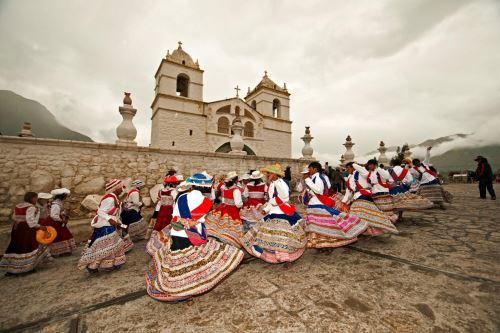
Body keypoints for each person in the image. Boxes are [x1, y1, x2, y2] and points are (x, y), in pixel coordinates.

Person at [146, 189, 244, 302]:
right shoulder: (200, 203)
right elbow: (199, 221)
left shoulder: (181, 198)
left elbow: (175, 217)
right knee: (190, 261)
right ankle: (184, 290)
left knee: (178, 262)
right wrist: (192, 223)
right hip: (187, 235)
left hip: (176, 232)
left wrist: (185, 221)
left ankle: (181, 289)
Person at [242, 164, 307, 265]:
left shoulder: (281, 183)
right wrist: (267, 209)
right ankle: (272, 255)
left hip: (281, 212)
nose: (267, 175)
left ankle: (286, 257)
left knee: (282, 236)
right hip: (274, 211)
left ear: (275, 174)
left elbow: (284, 197)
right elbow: (271, 199)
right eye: (267, 173)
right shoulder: (272, 184)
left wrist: (272, 203)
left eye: (269, 173)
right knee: (271, 235)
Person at [303, 162, 367, 249]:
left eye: (310, 168)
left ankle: (329, 241)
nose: (309, 170)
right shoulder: (314, 178)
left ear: (315, 169)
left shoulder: (318, 178)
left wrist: (307, 180)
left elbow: (318, 190)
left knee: (323, 223)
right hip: (315, 202)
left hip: (319, 202)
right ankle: (321, 243)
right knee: (319, 224)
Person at [78, 179, 128, 273]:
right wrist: (111, 220)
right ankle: (93, 265)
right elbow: (101, 211)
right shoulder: (109, 199)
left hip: (108, 224)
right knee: (104, 247)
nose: (122, 190)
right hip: (105, 225)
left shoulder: (114, 197)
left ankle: (108, 264)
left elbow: (113, 213)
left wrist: (117, 223)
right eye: (121, 187)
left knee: (109, 246)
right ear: (115, 188)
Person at [341, 162, 398, 236]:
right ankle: (363, 230)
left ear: (352, 167)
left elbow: (360, 169)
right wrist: (344, 201)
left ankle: (382, 225)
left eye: (348, 168)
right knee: (361, 215)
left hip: (364, 195)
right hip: (357, 196)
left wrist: (354, 164)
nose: (347, 170)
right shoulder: (349, 177)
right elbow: (348, 191)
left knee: (367, 215)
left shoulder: (360, 172)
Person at [0, 192, 50, 275]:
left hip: (17, 228)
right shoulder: (32, 207)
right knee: (27, 247)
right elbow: (31, 222)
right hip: (27, 230)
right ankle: (26, 268)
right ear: (33, 198)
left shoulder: (18, 206)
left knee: (16, 246)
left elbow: (14, 217)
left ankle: (12, 269)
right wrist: (41, 227)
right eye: (36, 198)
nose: (37, 199)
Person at [204, 171, 244, 248]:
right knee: (230, 227)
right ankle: (227, 240)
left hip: (222, 207)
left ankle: (216, 237)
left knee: (219, 223)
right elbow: (238, 204)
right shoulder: (236, 190)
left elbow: (223, 199)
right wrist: (241, 205)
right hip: (232, 210)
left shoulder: (224, 188)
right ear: (236, 180)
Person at [48, 188, 76, 256]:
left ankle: (63, 251)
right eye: (65, 195)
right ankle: (60, 251)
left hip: (59, 222)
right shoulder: (56, 204)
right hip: (56, 223)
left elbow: (61, 211)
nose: (66, 197)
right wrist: (61, 220)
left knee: (63, 235)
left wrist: (63, 215)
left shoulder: (59, 203)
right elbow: (53, 215)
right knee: (60, 236)